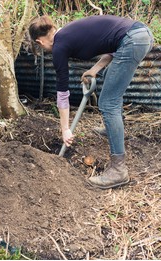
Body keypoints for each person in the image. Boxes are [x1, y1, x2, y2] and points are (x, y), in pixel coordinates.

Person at [28, 14, 154, 189]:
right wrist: (94, 69)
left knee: (108, 102)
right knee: (113, 90)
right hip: (140, 34)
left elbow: (63, 91)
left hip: (132, 40)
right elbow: (114, 43)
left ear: (40, 42)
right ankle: (112, 127)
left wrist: (65, 129)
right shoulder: (67, 33)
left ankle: (118, 170)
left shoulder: (59, 46)